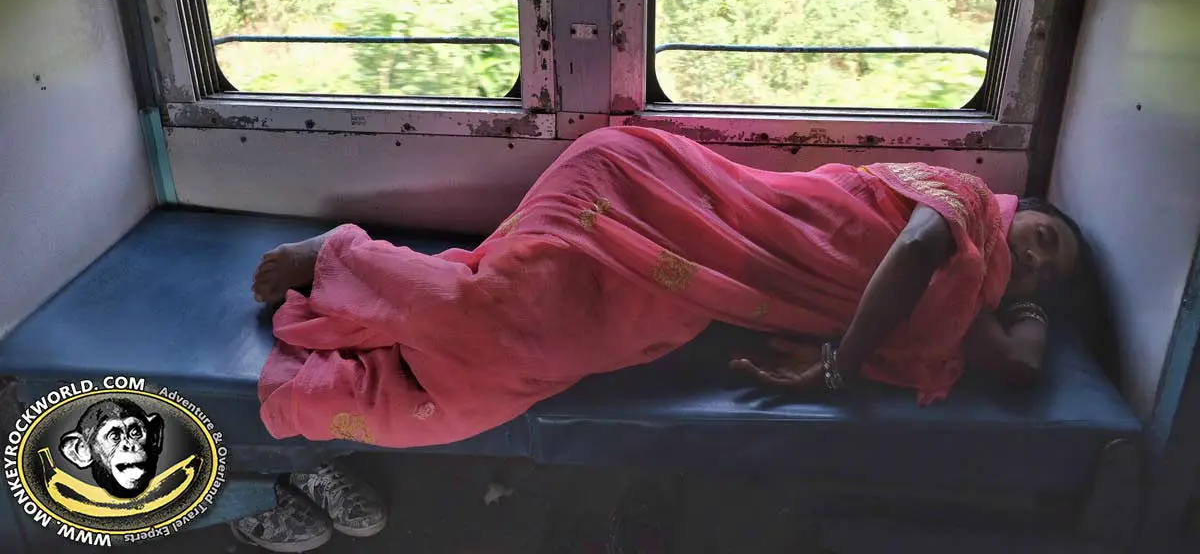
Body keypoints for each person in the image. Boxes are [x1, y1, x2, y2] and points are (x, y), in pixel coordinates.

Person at [232, 126, 1083, 551]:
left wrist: (1026, 305)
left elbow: (1015, 368)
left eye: (1048, 272)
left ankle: (322, 398)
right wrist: (837, 367)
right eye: (1042, 235)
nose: (1034, 259)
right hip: (648, 196)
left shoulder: (968, 295)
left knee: (488, 388)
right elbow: (913, 247)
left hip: (687, 289)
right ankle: (341, 255)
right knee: (498, 324)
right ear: (1018, 208)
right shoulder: (960, 205)